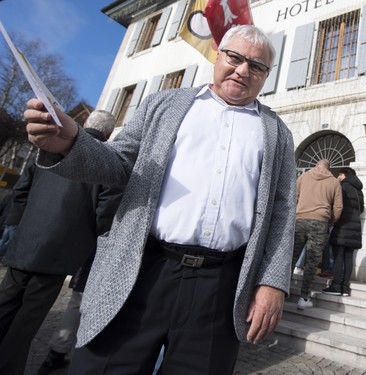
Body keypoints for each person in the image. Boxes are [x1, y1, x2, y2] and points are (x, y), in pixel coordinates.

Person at [23, 25, 296, 374]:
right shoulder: (163, 104)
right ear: (218, 55)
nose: (243, 70)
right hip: (142, 270)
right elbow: (118, 162)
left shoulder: (276, 132)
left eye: (256, 66)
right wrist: (70, 142)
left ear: (265, 76)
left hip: (221, 286)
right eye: (235, 58)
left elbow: (282, 211)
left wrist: (272, 282)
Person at [0, 110, 123, 374]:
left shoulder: (53, 146)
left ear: (84, 124)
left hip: (27, 241)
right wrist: (91, 238)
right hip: (63, 250)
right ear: (110, 133)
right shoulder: (107, 159)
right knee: (28, 317)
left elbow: (21, 190)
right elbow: (106, 211)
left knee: (6, 301)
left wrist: (20, 226)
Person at [292, 159, 342, 309]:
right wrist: (331, 220)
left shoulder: (303, 177)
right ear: (329, 168)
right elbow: (338, 207)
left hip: (300, 219)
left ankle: (280, 293)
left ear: (316, 165)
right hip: (320, 222)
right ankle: (304, 298)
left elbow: (294, 197)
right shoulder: (334, 182)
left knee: (291, 258)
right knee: (312, 262)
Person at [322, 167, 364, 297]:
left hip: (342, 226)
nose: (338, 177)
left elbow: (337, 205)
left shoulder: (342, 187)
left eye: (339, 174)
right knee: (348, 257)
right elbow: (361, 209)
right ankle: (345, 288)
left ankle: (336, 286)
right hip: (355, 229)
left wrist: (333, 220)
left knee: (338, 255)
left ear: (344, 175)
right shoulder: (359, 191)